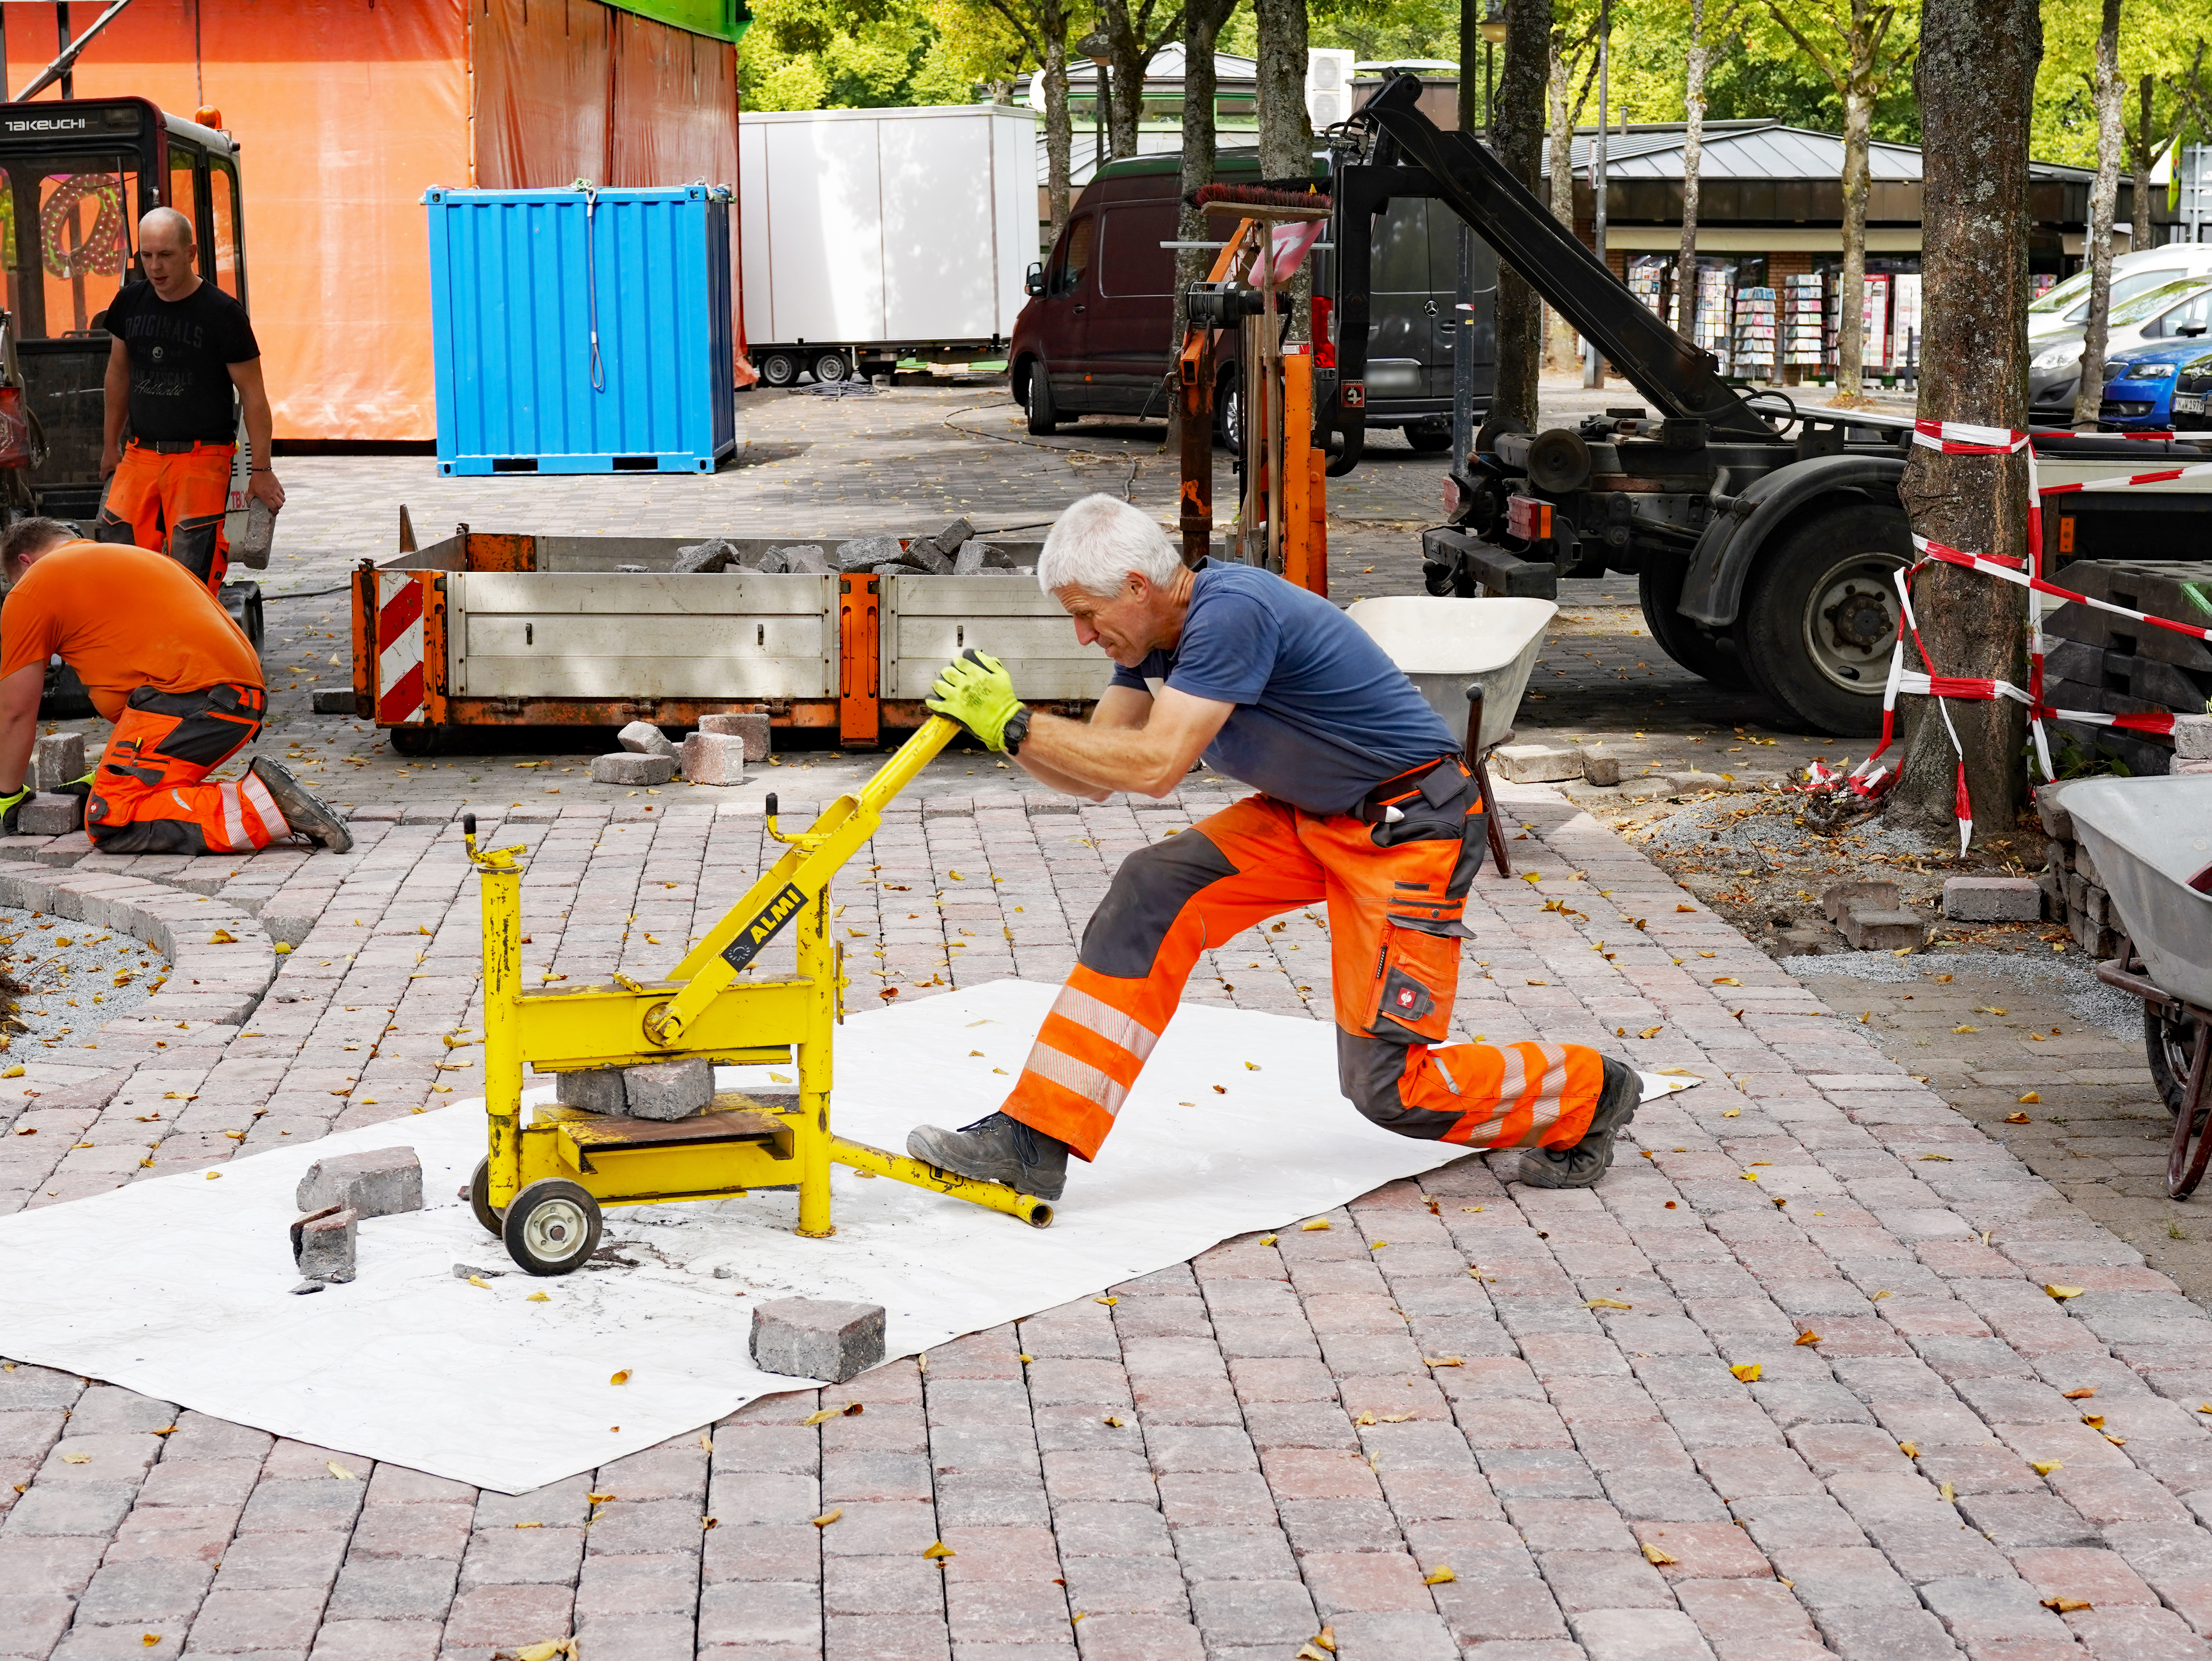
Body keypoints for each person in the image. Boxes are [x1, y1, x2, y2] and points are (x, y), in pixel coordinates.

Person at [907, 494, 1637, 1204]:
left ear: (1135, 588)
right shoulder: (1153, 638)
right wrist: (998, 729)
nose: (1082, 636)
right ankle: (1036, 1139)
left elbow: (1157, 767)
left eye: (1086, 616)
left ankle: (1589, 1091)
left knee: (1389, 1092)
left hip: (1410, 827)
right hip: (1313, 816)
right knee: (1153, 887)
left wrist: (1015, 725)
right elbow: (1097, 773)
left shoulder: (1231, 612)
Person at [0, 517, 347, 855]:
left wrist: (8, 795)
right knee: (130, 796)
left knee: (111, 818)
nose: (16, 589)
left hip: (197, 702)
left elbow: (15, 711)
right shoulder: (124, 559)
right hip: (236, 701)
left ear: (25, 562)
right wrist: (118, 771)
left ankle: (263, 804)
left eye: (13, 581)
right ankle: (264, 797)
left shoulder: (34, 586)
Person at [97, 206, 283, 594]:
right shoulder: (129, 303)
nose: (155, 266)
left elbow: (254, 396)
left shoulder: (222, 314)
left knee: (191, 574)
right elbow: (118, 374)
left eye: (165, 255)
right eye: (146, 256)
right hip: (140, 454)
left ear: (191, 253)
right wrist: (109, 446)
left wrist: (261, 470)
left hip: (202, 458)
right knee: (117, 566)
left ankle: (187, 648)